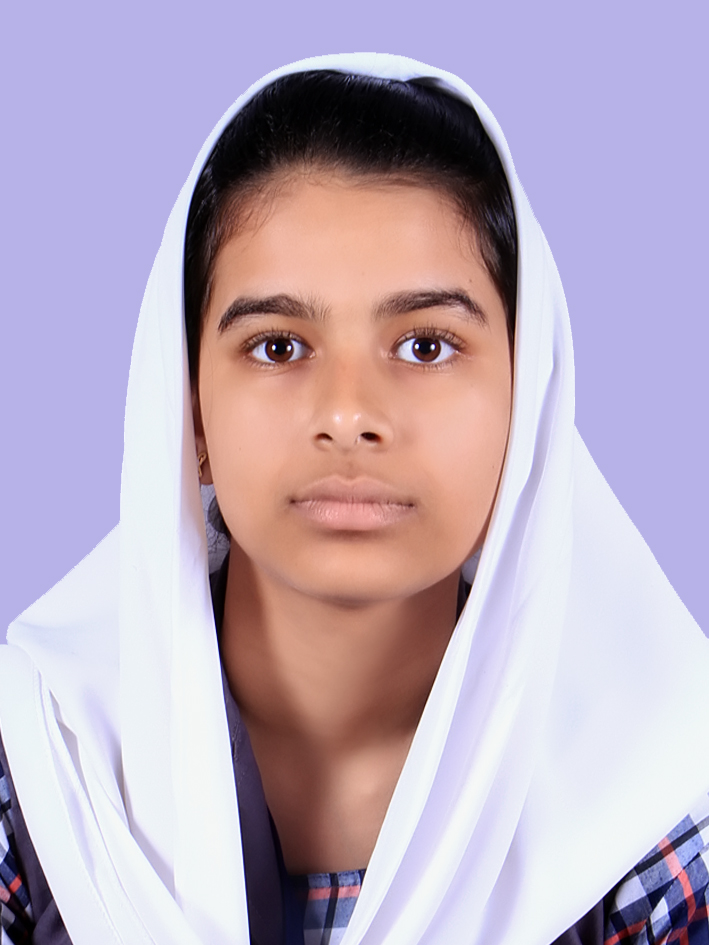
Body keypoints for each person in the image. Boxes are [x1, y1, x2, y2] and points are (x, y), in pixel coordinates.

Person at [1, 53, 708, 945]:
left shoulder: (652, 803)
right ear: (189, 411)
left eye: (425, 346)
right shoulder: (41, 767)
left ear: (526, 406)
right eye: (278, 346)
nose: (348, 415)